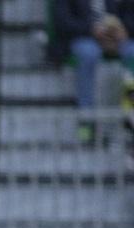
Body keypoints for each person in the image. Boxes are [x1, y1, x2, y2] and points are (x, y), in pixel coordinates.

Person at [49, 0, 134, 142]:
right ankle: (86, 118)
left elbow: (128, 15)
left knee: (132, 52)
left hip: (116, 39)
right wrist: (92, 29)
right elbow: (62, 22)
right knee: (89, 54)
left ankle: (130, 115)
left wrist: (122, 29)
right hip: (84, 37)